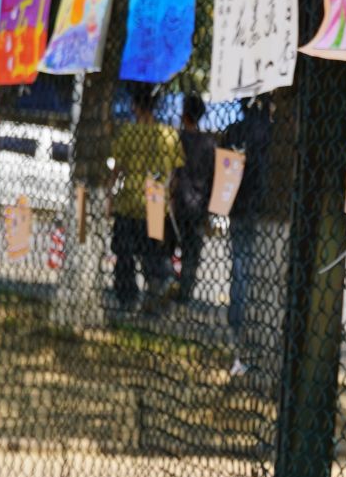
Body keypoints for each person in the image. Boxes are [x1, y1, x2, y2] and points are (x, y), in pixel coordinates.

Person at [109, 84, 182, 312]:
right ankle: (158, 290)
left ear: (134, 105)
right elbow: (175, 173)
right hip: (156, 202)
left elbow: (117, 169)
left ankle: (128, 300)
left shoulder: (128, 132)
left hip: (129, 201)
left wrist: (108, 197)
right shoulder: (170, 135)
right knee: (153, 253)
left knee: (124, 254)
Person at [222, 97, 272, 338]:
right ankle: (250, 316)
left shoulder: (234, 131)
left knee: (239, 262)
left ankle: (237, 318)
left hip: (236, 202)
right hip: (262, 206)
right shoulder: (271, 132)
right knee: (255, 262)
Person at [173, 94, 215, 306]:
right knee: (192, 254)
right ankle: (184, 296)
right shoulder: (209, 144)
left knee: (168, 248)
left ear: (184, 113)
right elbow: (213, 177)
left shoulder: (176, 140)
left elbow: (172, 172)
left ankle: (170, 287)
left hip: (177, 203)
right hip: (199, 205)